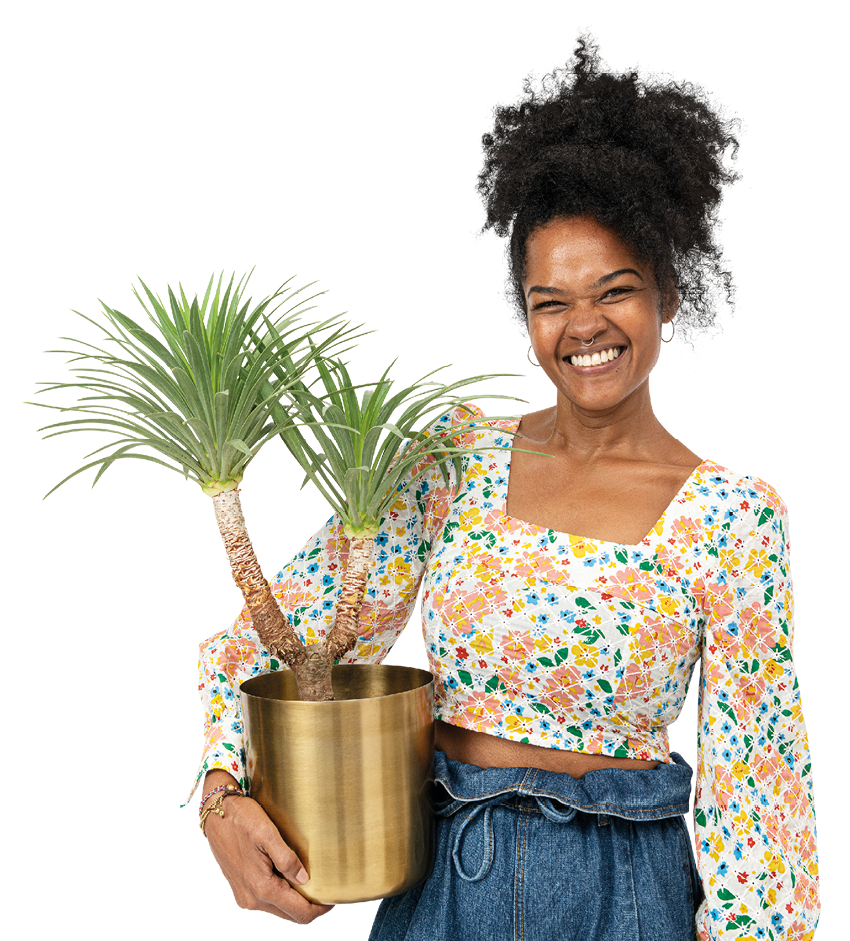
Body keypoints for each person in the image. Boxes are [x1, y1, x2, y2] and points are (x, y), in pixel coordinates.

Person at [188, 26, 820, 940]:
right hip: (447, 881)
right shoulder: (452, 460)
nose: (584, 325)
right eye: (549, 301)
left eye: (617, 288)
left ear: (671, 292)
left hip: (630, 899)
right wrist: (221, 793)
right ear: (521, 310)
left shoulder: (734, 517)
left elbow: (760, 789)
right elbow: (283, 634)